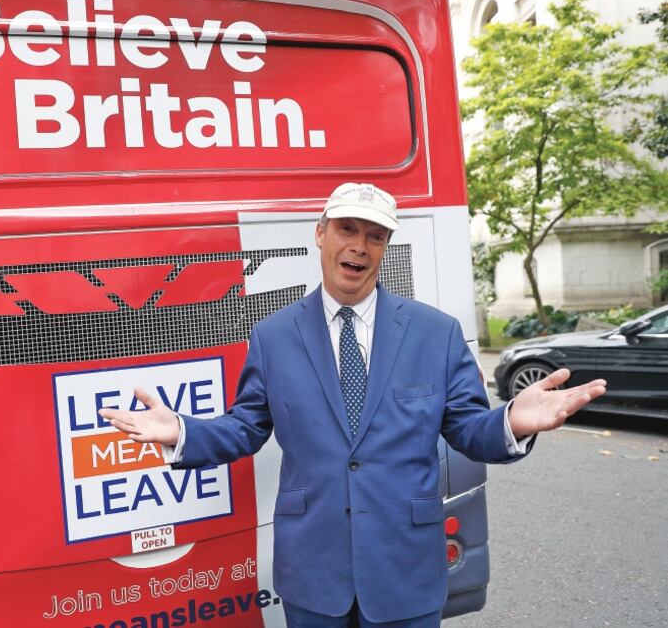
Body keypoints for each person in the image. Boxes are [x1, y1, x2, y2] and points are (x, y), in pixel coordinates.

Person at [99, 182, 606, 628]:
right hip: (313, 570)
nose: (359, 246)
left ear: (385, 247)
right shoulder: (274, 337)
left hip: (406, 568)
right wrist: (182, 432)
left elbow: (468, 429)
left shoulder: (436, 333)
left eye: (375, 236)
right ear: (320, 233)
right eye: (347, 229)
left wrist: (511, 422)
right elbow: (245, 428)